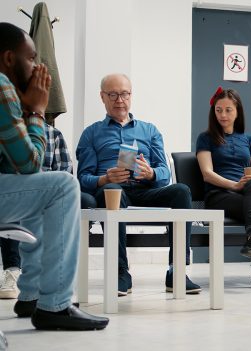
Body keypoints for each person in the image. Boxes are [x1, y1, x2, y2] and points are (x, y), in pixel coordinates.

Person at [0, 22, 108, 330]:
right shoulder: (1, 84)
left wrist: (24, 105)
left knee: (43, 189)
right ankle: (56, 305)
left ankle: (32, 296)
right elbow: (30, 163)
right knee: (62, 185)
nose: (37, 67)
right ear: (9, 58)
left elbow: (16, 170)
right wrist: (35, 111)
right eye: (31, 58)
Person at [76, 73, 201, 296]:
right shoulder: (91, 133)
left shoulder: (149, 130)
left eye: (124, 94)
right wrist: (105, 178)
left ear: (131, 96)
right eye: (113, 94)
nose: (119, 100)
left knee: (181, 191)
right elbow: (83, 179)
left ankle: (177, 271)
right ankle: (120, 271)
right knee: (111, 191)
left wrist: (150, 173)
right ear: (102, 97)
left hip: (145, 191)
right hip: (113, 192)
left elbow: (165, 174)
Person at [196, 87, 251, 289]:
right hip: (218, 195)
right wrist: (234, 185)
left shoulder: (248, 139)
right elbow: (207, 173)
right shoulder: (205, 138)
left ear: (238, 111)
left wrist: (247, 182)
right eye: (219, 110)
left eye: (228, 110)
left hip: (245, 194)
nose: (223, 115)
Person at [0, 122, 72, 300]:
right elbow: (28, 166)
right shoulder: (9, 124)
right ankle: (53, 300)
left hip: (37, 191)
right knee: (64, 187)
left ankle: (32, 294)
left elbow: (66, 168)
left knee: (61, 188)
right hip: (15, 191)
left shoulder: (54, 134)